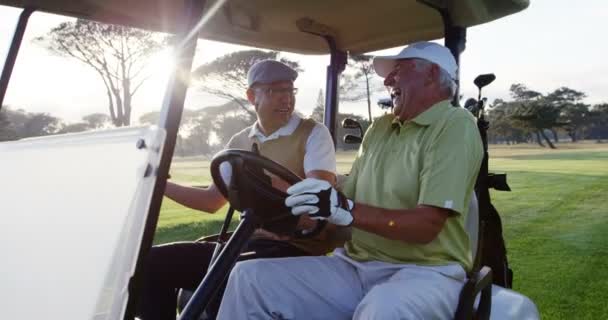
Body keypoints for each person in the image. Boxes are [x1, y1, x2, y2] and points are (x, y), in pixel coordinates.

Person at [216, 41, 484, 319]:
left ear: (431, 75)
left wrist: (346, 209)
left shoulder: (455, 124)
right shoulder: (380, 129)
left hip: (426, 272)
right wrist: (296, 204)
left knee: (383, 309)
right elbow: (344, 194)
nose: (388, 79)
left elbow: (426, 226)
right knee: (249, 278)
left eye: (399, 71)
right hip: (355, 267)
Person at [137, 60, 342, 320]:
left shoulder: (313, 133)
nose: (286, 99)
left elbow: (319, 195)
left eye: (290, 91)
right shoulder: (240, 142)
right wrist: (159, 184)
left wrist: (266, 186)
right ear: (251, 96)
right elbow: (211, 200)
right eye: (275, 91)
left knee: (227, 278)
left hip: (297, 247)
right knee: (150, 263)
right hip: (248, 240)